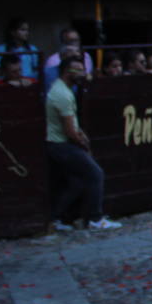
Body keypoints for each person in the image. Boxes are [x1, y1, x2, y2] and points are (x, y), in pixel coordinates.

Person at [45, 55, 121, 231]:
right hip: (61, 145)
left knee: (76, 182)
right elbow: (70, 131)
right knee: (96, 174)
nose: (82, 73)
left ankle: (55, 219)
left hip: (58, 144)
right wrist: (84, 145)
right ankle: (95, 218)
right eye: (78, 70)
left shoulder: (63, 89)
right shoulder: (62, 94)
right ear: (66, 71)